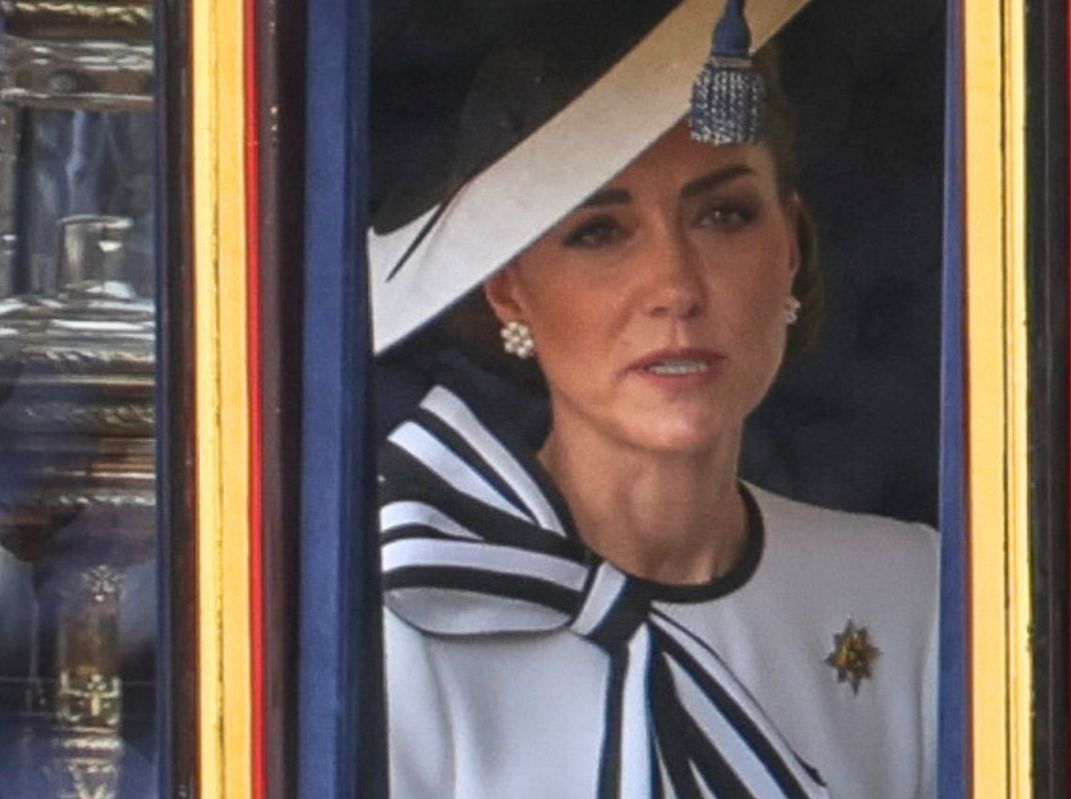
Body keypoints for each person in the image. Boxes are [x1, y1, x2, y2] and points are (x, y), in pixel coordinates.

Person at [370, 1, 938, 796]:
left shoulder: (916, 593)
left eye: (723, 215)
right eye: (599, 232)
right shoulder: (410, 618)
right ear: (510, 291)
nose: (674, 286)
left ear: (790, 248)